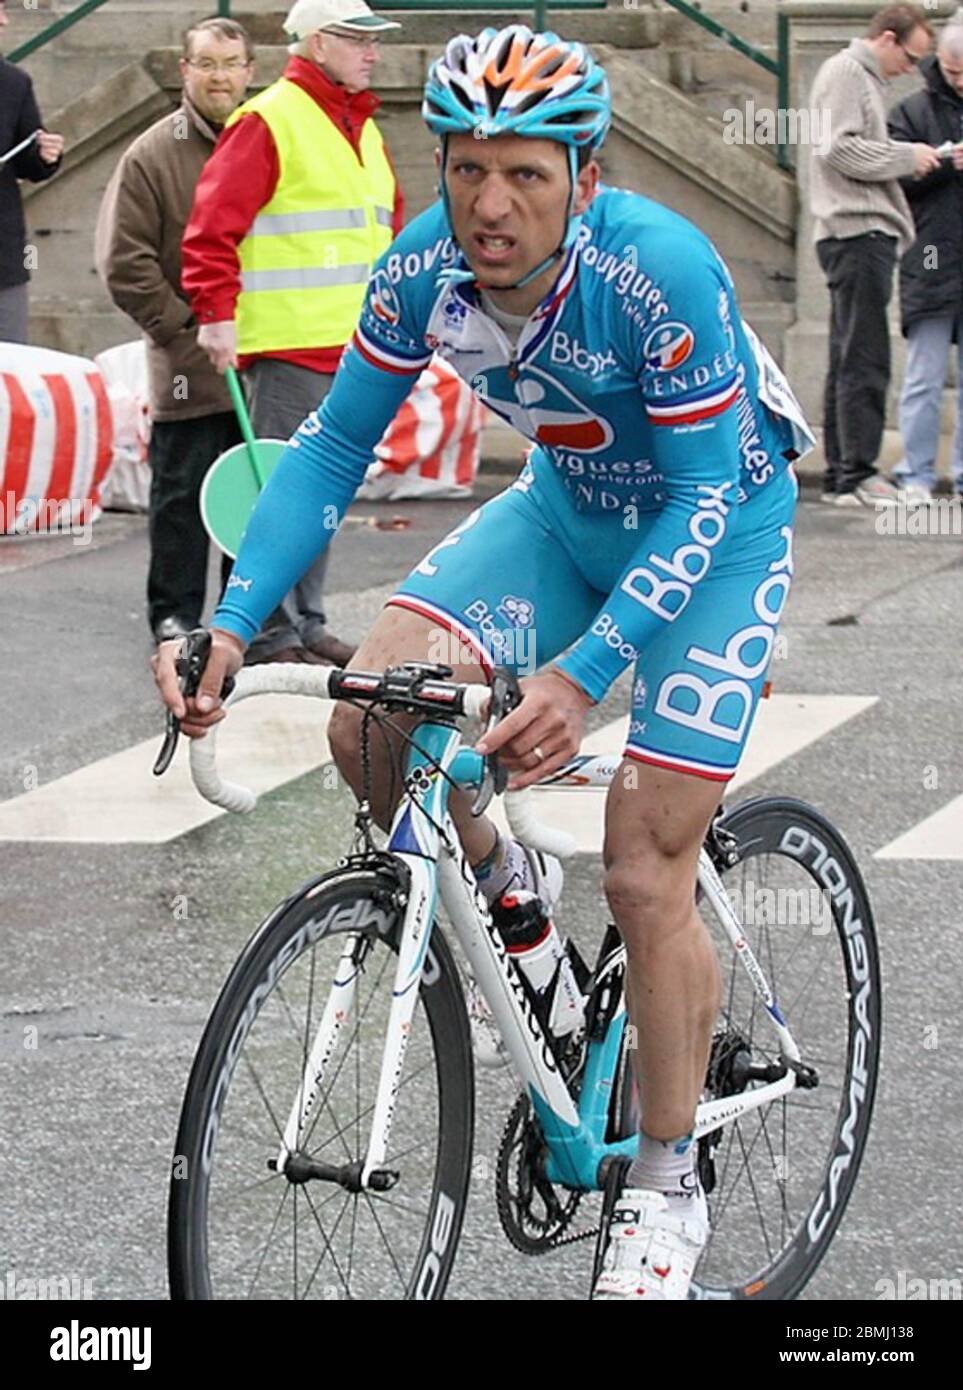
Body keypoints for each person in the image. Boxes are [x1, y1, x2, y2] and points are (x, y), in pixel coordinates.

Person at [155, 25, 815, 1301]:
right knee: (372, 721)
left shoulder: (654, 269)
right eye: (466, 169)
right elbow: (334, 452)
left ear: (585, 171)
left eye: (525, 172)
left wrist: (581, 672)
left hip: (713, 530)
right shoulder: (423, 268)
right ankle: (510, 887)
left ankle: (664, 1181)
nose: (490, 203)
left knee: (641, 862)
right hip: (564, 511)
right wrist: (229, 624)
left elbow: (693, 505)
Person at [180, 0, 405, 666]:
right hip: (288, 347)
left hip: (348, 349)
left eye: (373, 41)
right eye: (359, 40)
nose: (373, 52)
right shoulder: (272, 119)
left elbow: (385, 229)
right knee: (282, 491)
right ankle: (269, 629)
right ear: (318, 43)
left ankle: (304, 621)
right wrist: (216, 315)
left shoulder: (354, 125)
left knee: (320, 493)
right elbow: (212, 226)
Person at [96, 17, 254, 645]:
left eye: (231, 65)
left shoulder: (265, 141)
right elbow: (123, 262)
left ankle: (250, 615)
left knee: (254, 495)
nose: (220, 77)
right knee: (181, 495)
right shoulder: (151, 154)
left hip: (262, 359)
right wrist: (187, 330)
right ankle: (176, 615)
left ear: (250, 72)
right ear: (184, 71)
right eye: (207, 64)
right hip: (187, 365)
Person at [809, 3, 941, 506]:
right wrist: (909, 157)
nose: (912, 70)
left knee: (849, 352)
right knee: (864, 354)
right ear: (887, 39)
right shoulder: (847, 73)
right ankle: (857, 473)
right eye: (911, 57)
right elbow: (838, 148)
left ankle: (845, 473)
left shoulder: (855, 76)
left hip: (852, 231)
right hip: (857, 229)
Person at [888, 19, 963, 502]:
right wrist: (938, 162)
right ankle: (914, 474)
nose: (960, 82)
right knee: (923, 377)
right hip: (932, 257)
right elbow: (891, 173)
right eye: (954, 72)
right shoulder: (912, 110)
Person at [0, 0, 63, 343]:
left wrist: (45, 155)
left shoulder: (14, 83)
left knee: (8, 373)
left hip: (4, 267)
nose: (5, 22)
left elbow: (28, 159)